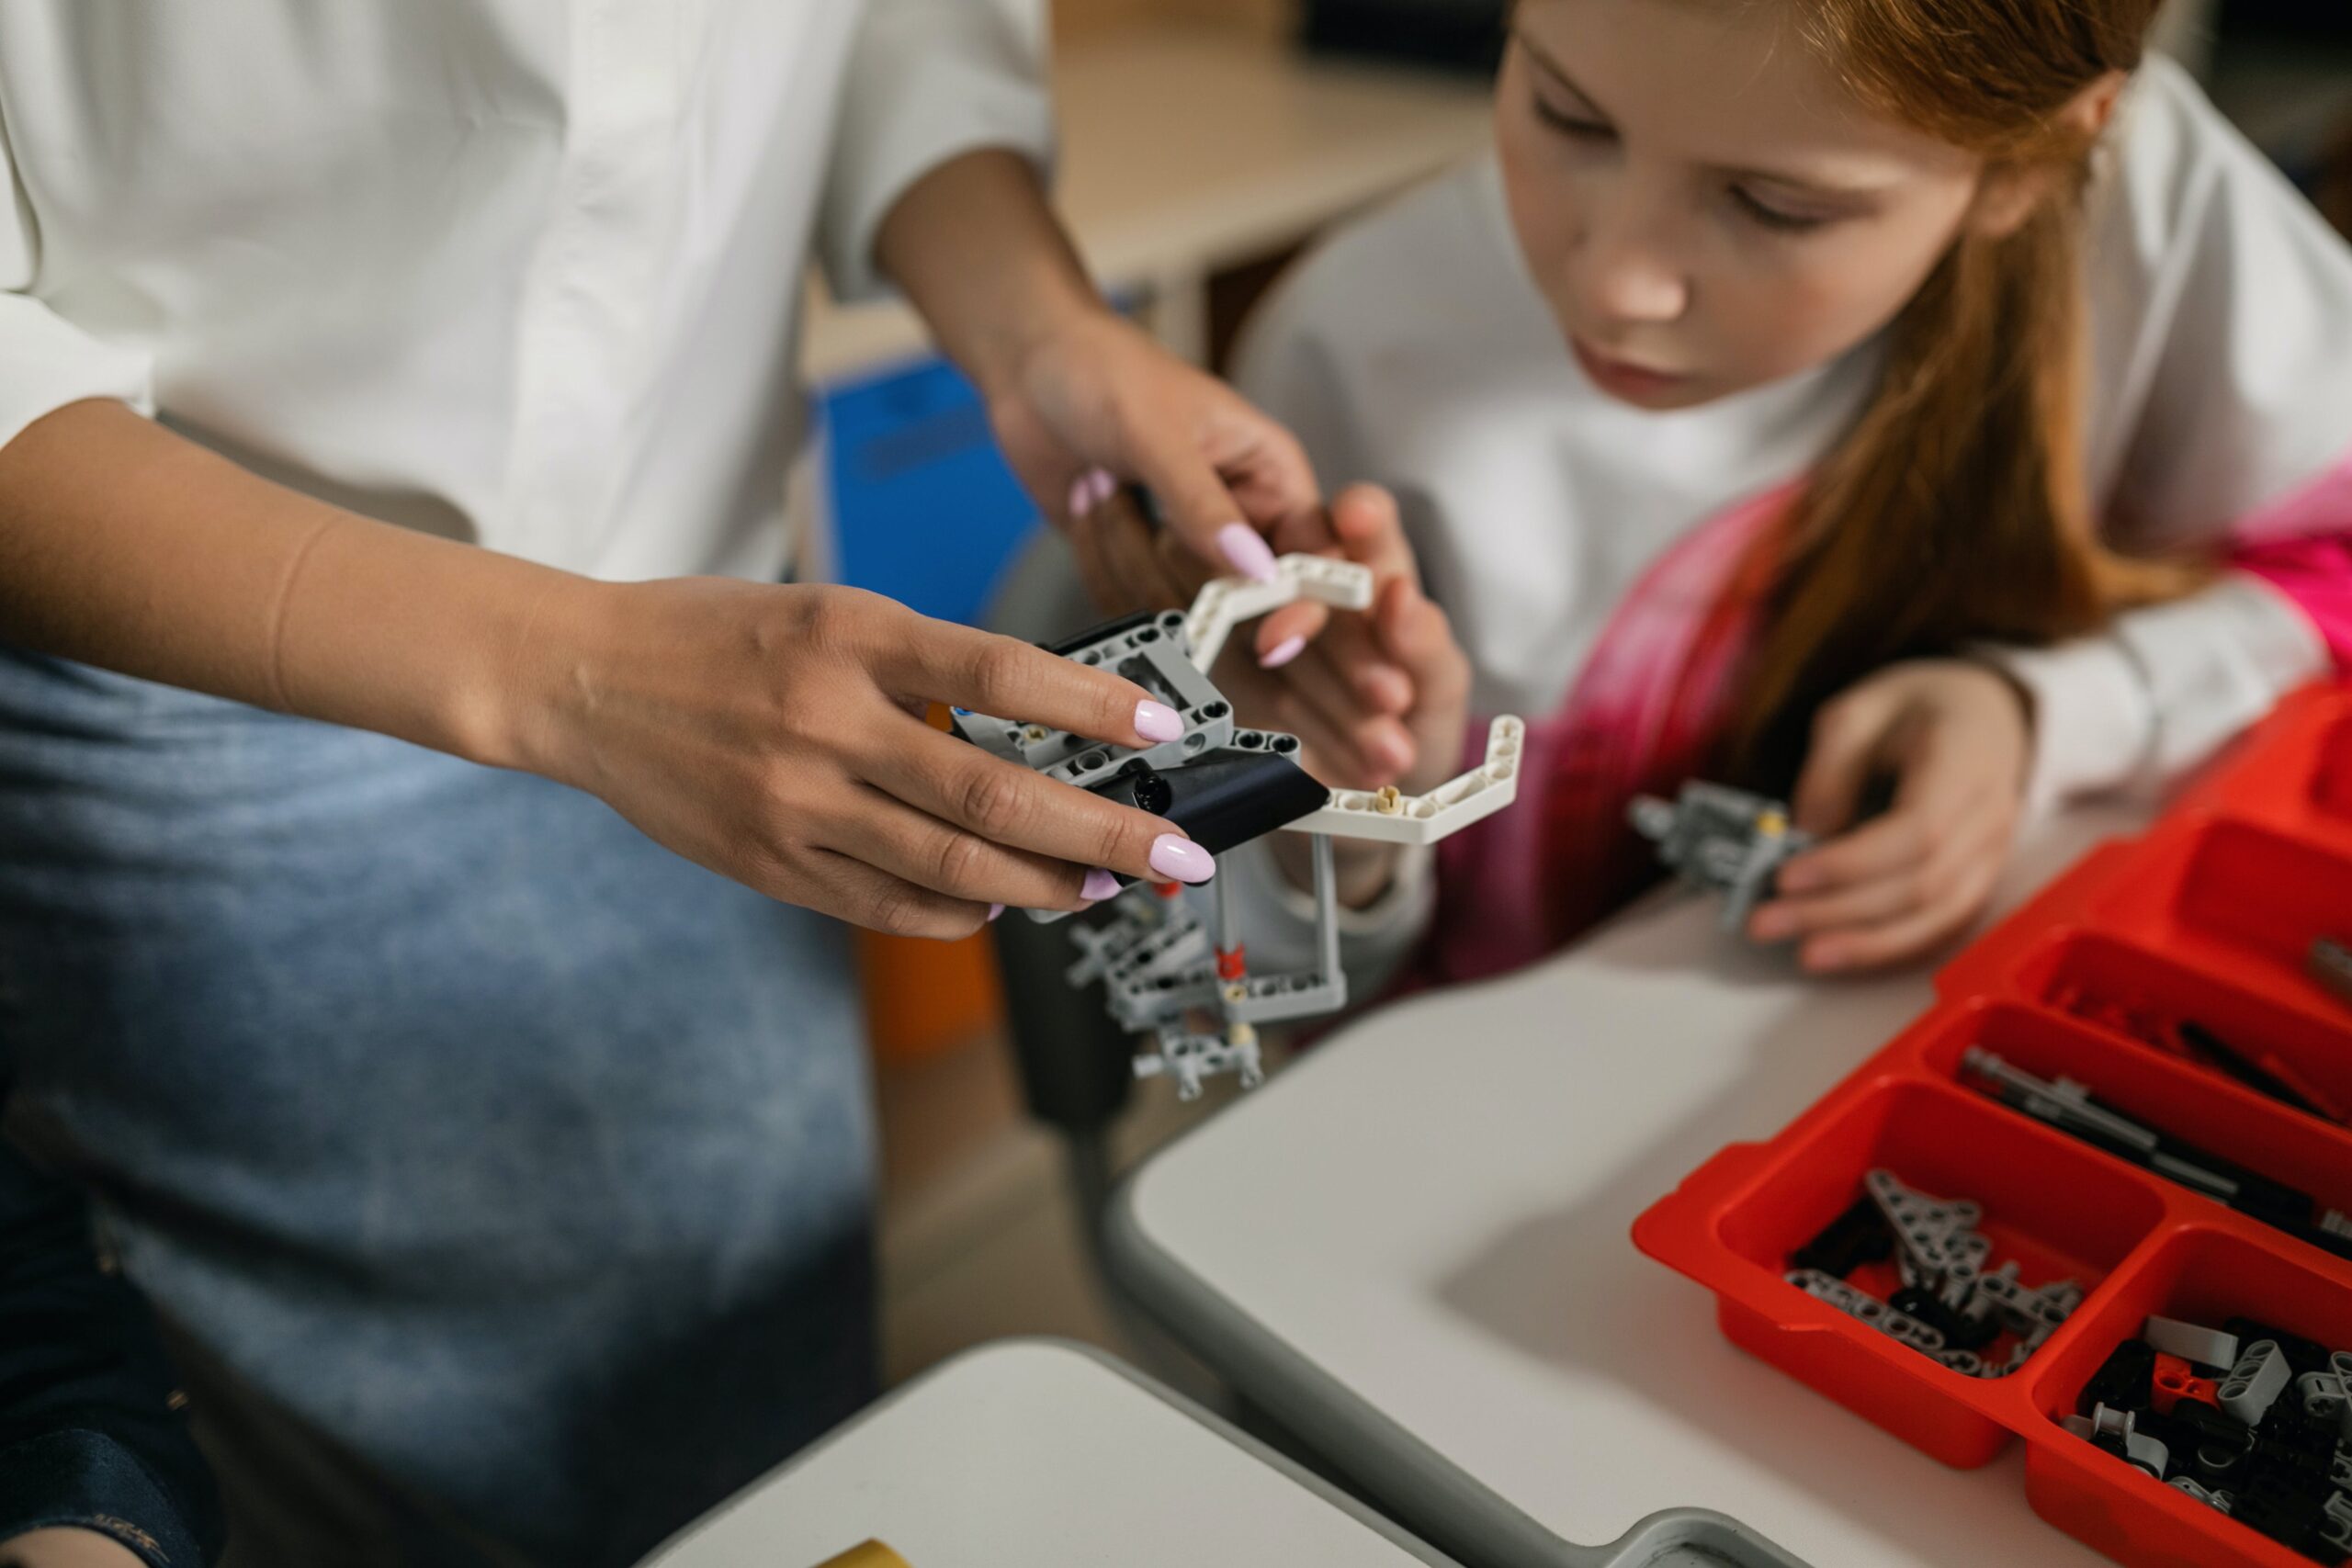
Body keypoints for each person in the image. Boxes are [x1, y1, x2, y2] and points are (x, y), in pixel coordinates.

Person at [0, 6, 1324, 1565]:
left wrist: (1047, 333)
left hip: (723, 673)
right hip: (219, 677)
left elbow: (895, 37)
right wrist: (576, 669)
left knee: (763, 1456)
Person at [1066, 0, 2352, 997]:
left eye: (1774, 204)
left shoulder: (2148, 208)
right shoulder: (1356, 352)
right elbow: (1241, 996)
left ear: (2031, 165)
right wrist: (1343, 826)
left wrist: (2050, 712)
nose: (1620, 283)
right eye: (1567, 115)